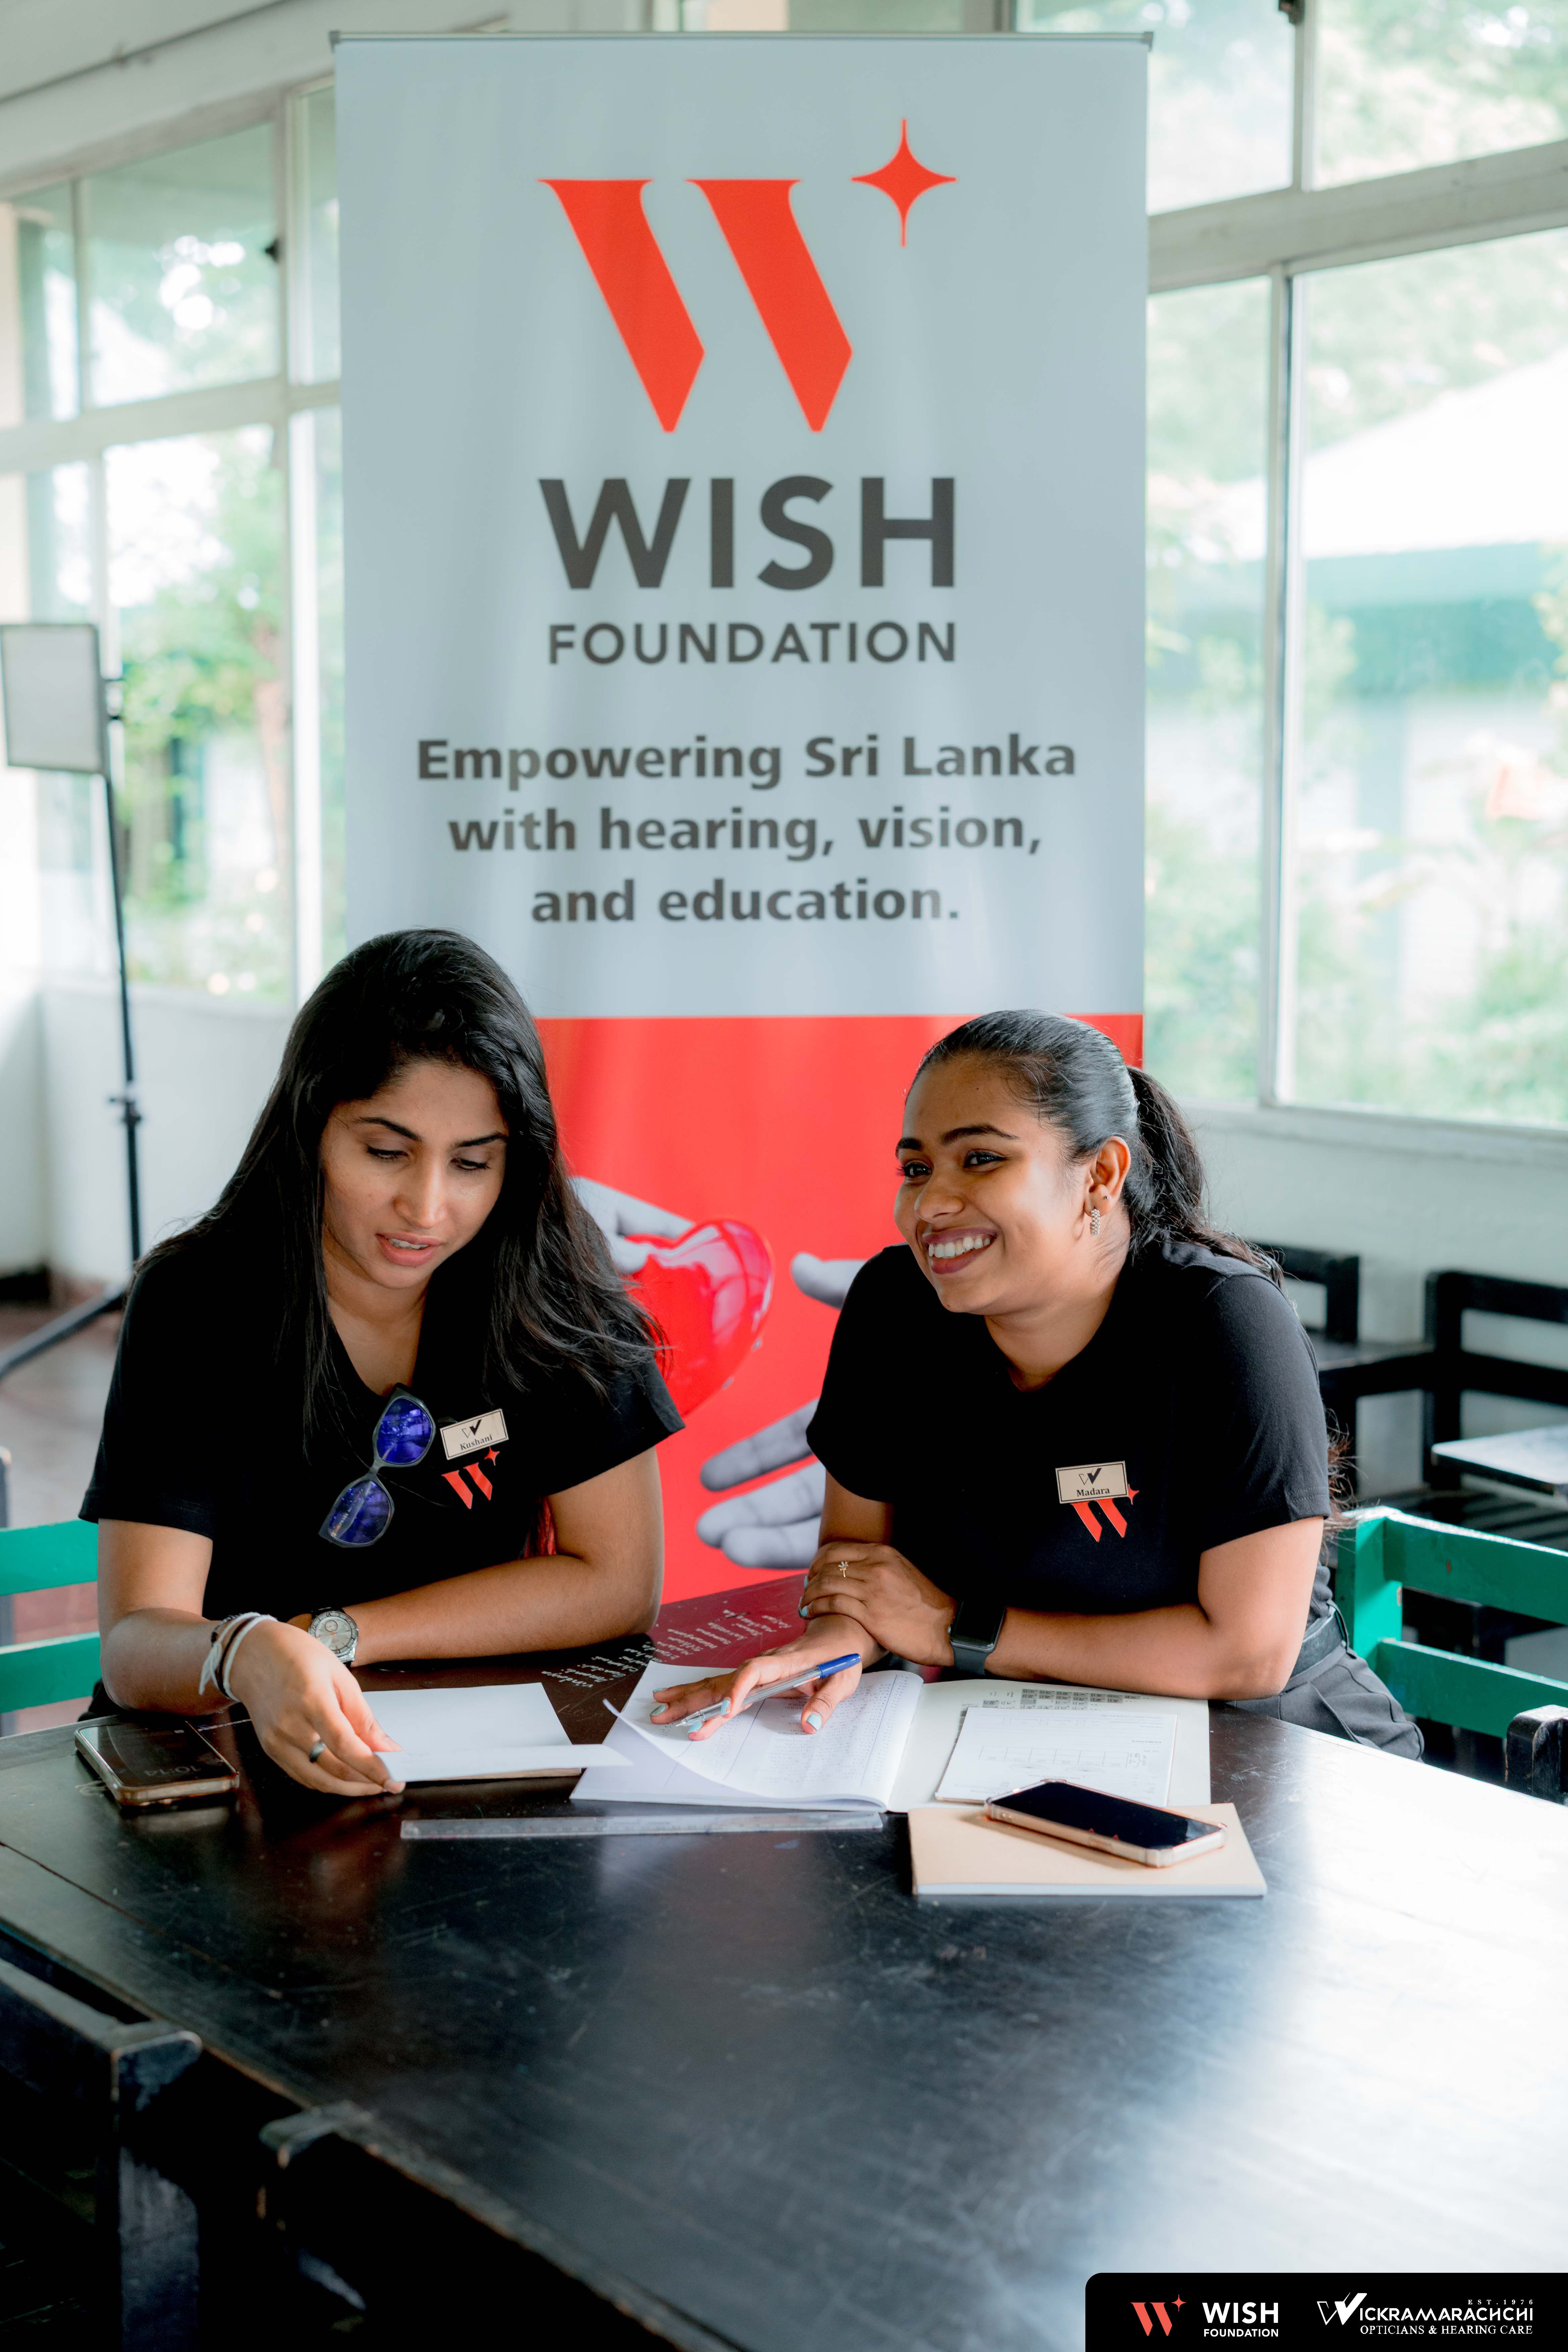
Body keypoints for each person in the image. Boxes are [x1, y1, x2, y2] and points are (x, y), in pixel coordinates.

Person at [651, 1011, 1421, 1758]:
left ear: (1101, 1175)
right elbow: (858, 1565)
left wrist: (956, 1629)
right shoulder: (893, 1306)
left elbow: (1245, 1655)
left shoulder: (1224, 1324)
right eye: (916, 1169)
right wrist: (833, 1642)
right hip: (1012, 1730)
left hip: (1268, 1740)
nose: (931, 1204)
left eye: (980, 1159)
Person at [85, 929, 681, 1799]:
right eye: (386, 1152)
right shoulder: (199, 1301)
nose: (427, 1207)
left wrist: (337, 1634)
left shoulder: (549, 1287)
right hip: (217, 1768)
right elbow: (139, 1641)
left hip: (463, 1768)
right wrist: (245, 1651)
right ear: (311, 1127)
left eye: (473, 1163)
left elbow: (619, 1585)